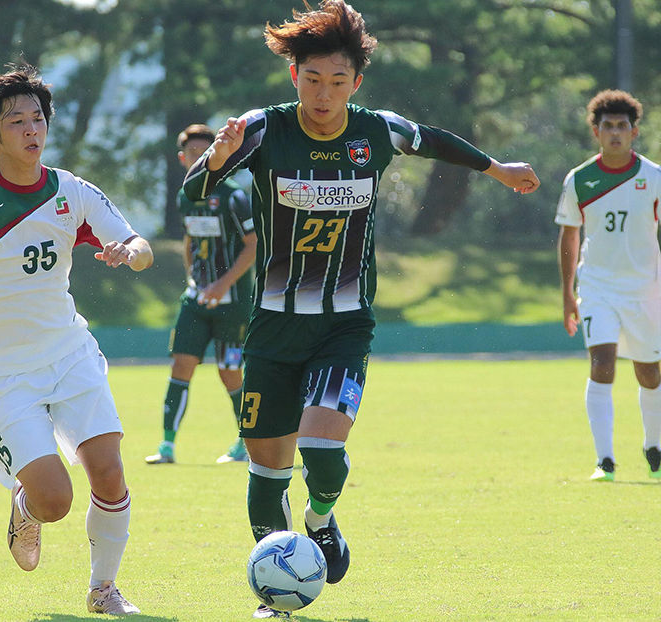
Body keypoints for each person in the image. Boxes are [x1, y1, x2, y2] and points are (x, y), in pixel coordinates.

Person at [182, 2, 540, 617]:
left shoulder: (377, 132)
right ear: (294, 76)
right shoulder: (261, 130)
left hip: (344, 326)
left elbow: (435, 141)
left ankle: (321, 518)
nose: (324, 94)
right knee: (266, 478)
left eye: (337, 81)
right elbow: (195, 191)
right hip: (271, 329)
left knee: (321, 453)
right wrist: (216, 159)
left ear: (356, 83)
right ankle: (278, 596)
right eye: (312, 79)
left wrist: (498, 169)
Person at [0, 66, 152, 616]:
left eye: (37, 118)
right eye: (16, 121)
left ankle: (104, 590)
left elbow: (138, 244)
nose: (31, 129)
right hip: (4, 374)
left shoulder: (72, 191)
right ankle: (26, 507)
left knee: (110, 473)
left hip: (70, 354)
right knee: (55, 500)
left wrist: (130, 252)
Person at [555, 89, 661, 483]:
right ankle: (605, 461)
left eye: (622, 126)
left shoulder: (654, 178)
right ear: (596, 131)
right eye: (608, 126)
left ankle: (654, 447)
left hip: (645, 289)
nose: (615, 132)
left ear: (634, 132)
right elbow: (570, 235)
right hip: (597, 286)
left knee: (649, 373)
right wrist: (568, 292)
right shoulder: (579, 180)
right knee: (601, 364)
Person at [145, 123, 257, 465]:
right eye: (191, 153)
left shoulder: (234, 197)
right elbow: (190, 240)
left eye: (203, 152)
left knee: (230, 372)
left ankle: (246, 444)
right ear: (182, 158)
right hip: (196, 300)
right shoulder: (185, 196)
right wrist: (192, 278)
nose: (198, 157)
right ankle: (167, 447)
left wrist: (222, 284)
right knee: (181, 365)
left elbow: (253, 244)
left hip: (232, 304)